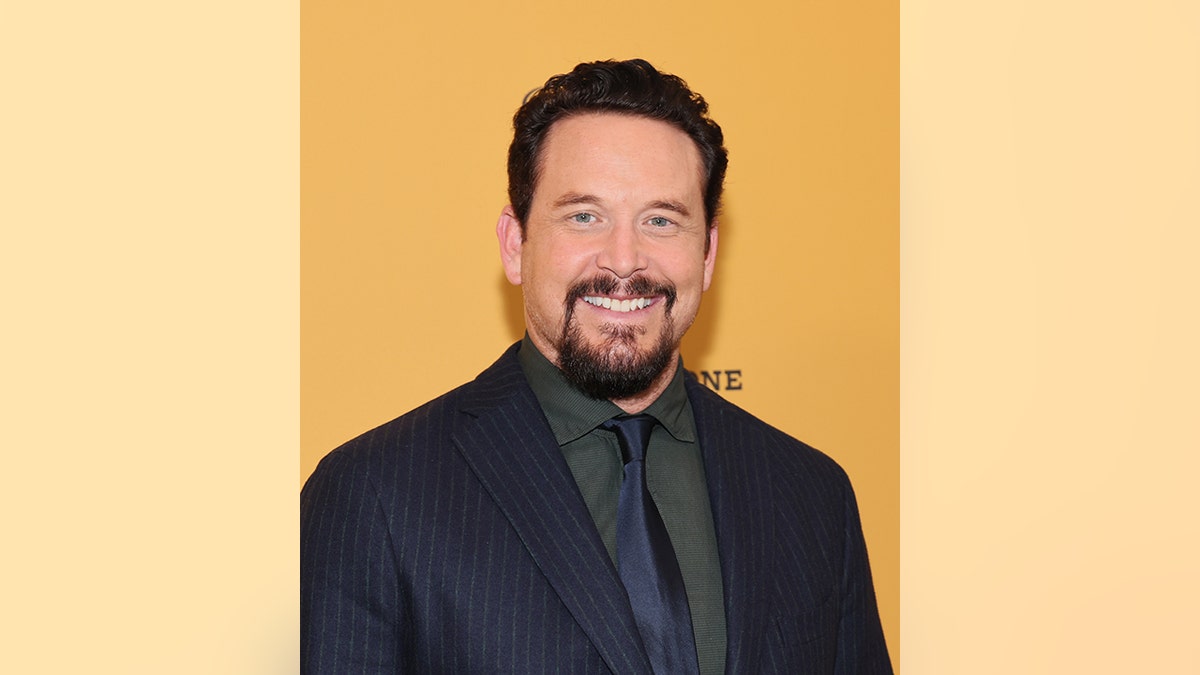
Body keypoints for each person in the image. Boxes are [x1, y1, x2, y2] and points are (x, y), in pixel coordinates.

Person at [301, 58, 892, 674]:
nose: (624, 259)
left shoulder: (812, 494)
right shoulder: (375, 495)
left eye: (661, 220)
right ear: (515, 244)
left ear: (709, 253)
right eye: (584, 216)